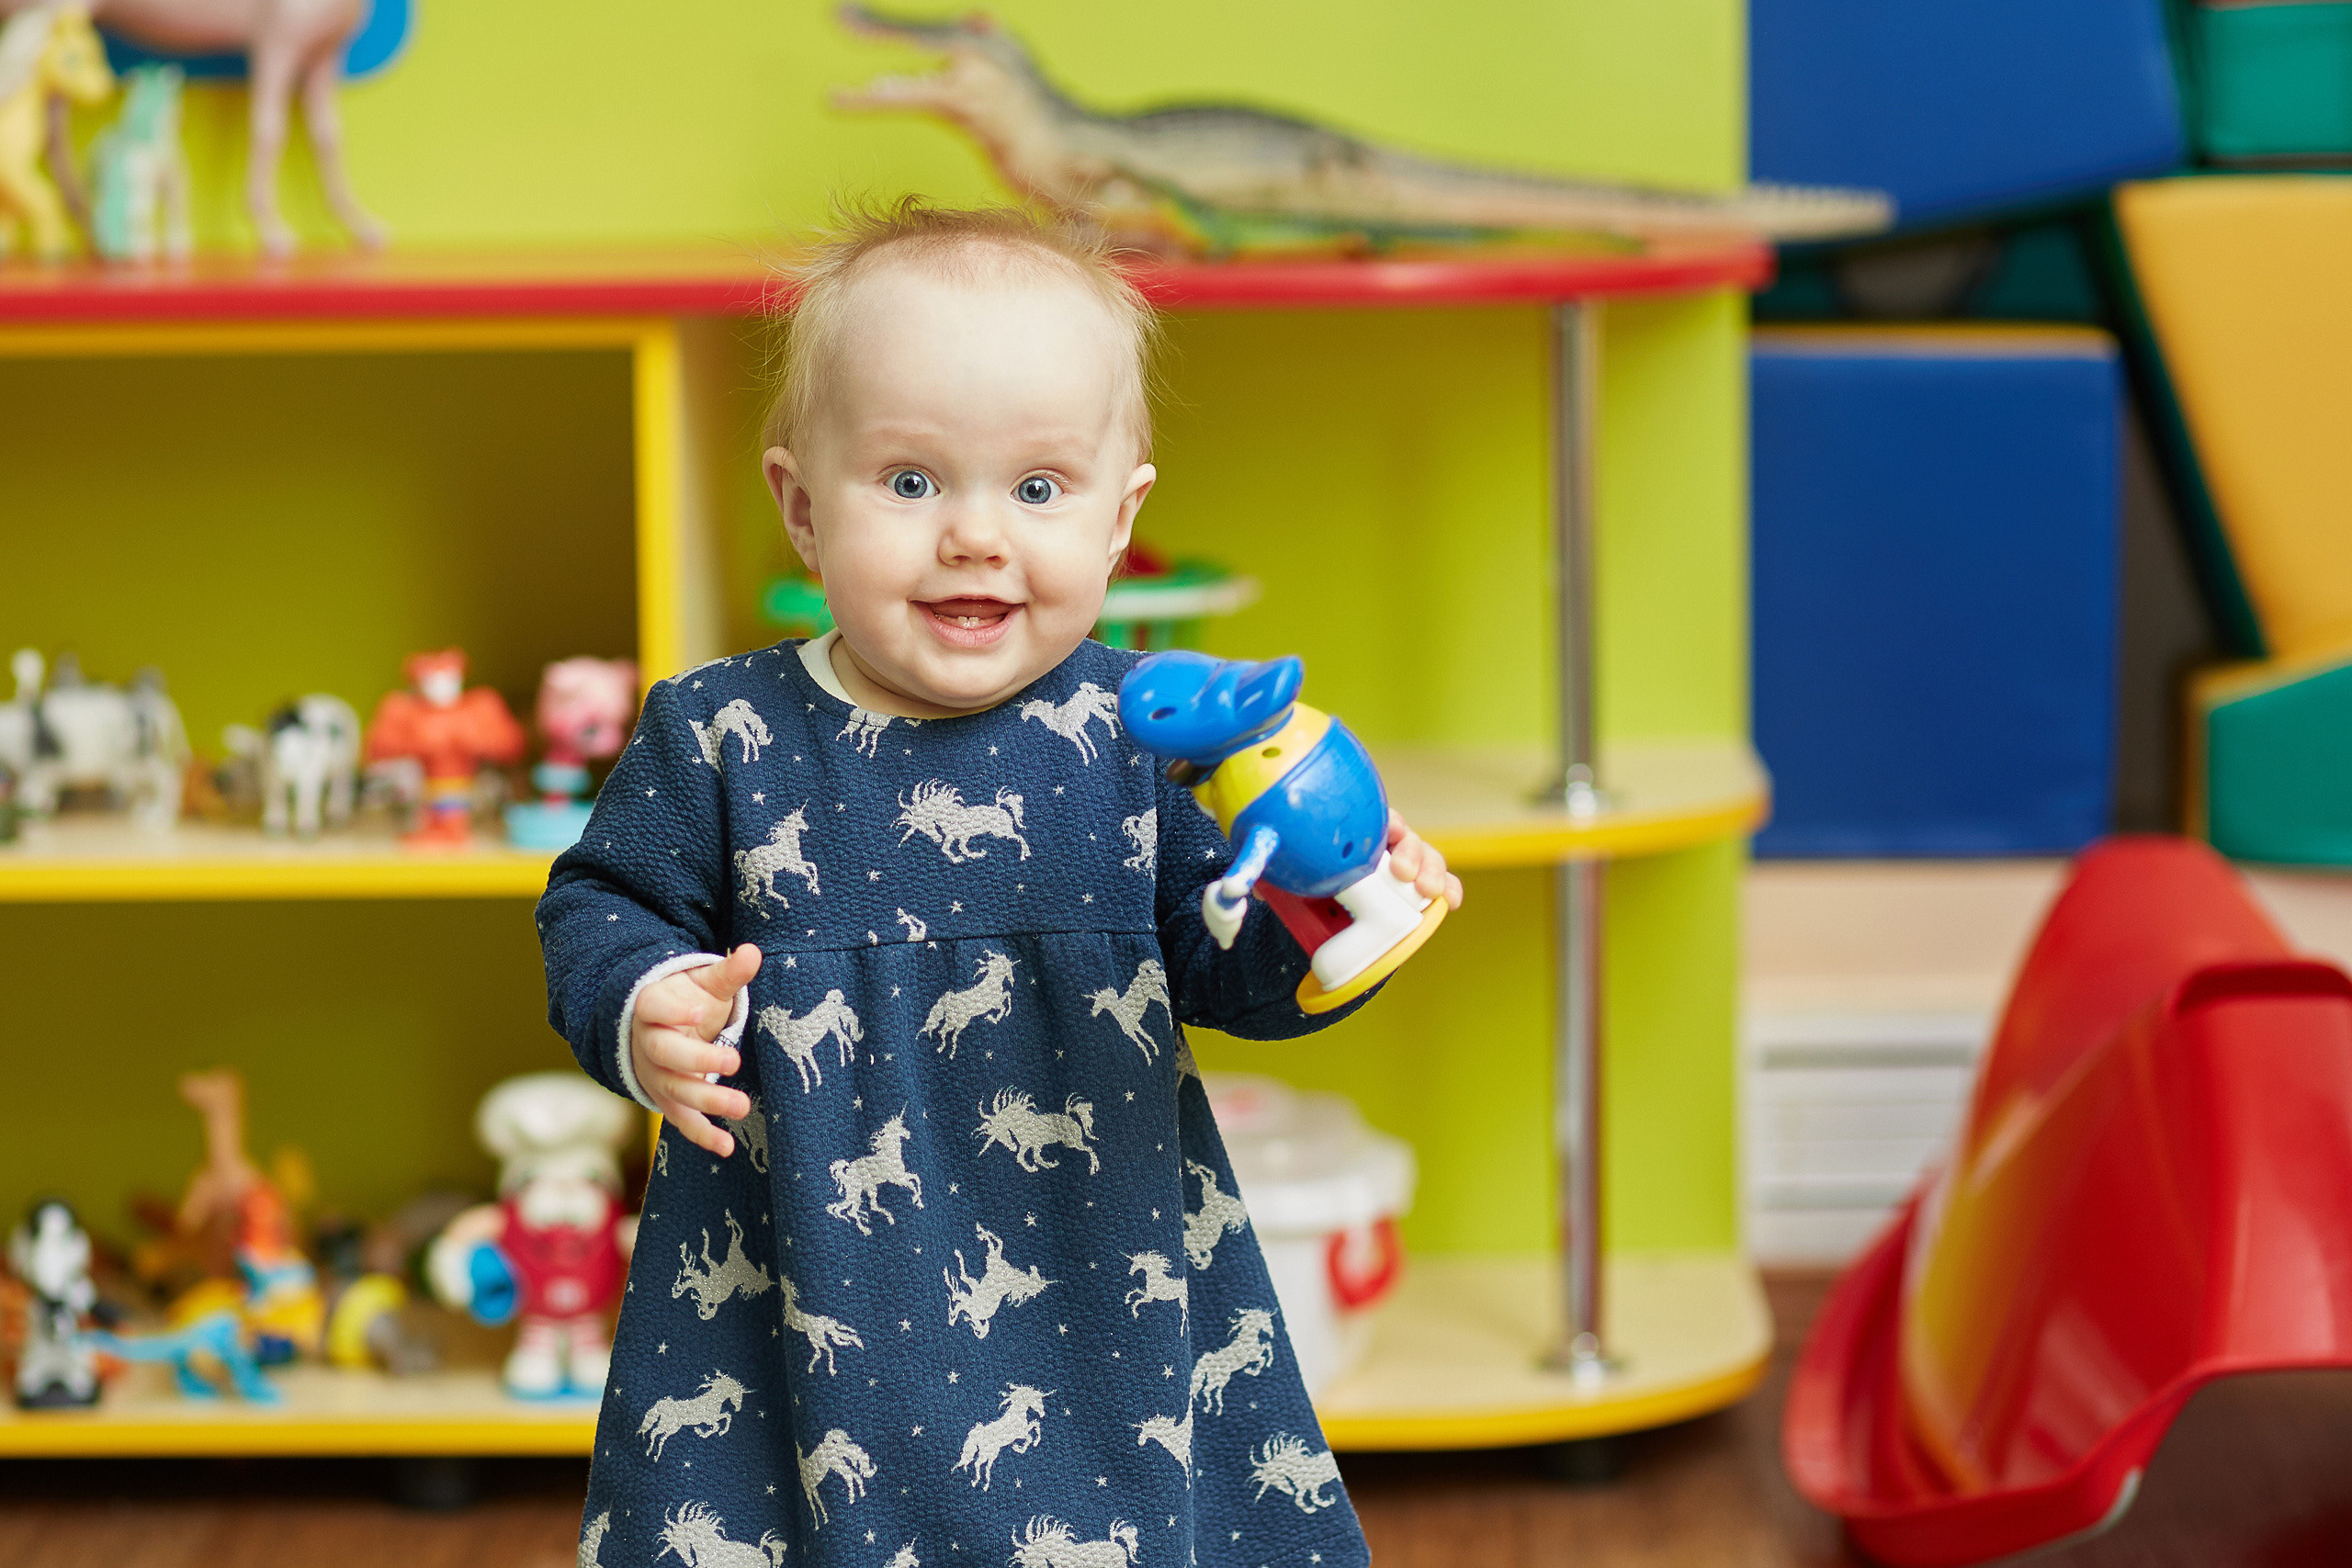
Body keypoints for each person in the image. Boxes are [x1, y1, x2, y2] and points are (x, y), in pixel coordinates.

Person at [538, 198, 1463, 1567]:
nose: (974, 536)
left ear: (1118, 521)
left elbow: (1229, 968)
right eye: (911, 483)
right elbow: (599, 902)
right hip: (799, 1291)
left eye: (1037, 489)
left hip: (1105, 1277)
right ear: (802, 505)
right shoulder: (722, 733)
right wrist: (645, 1003)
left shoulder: (1152, 733)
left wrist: (1329, 911)